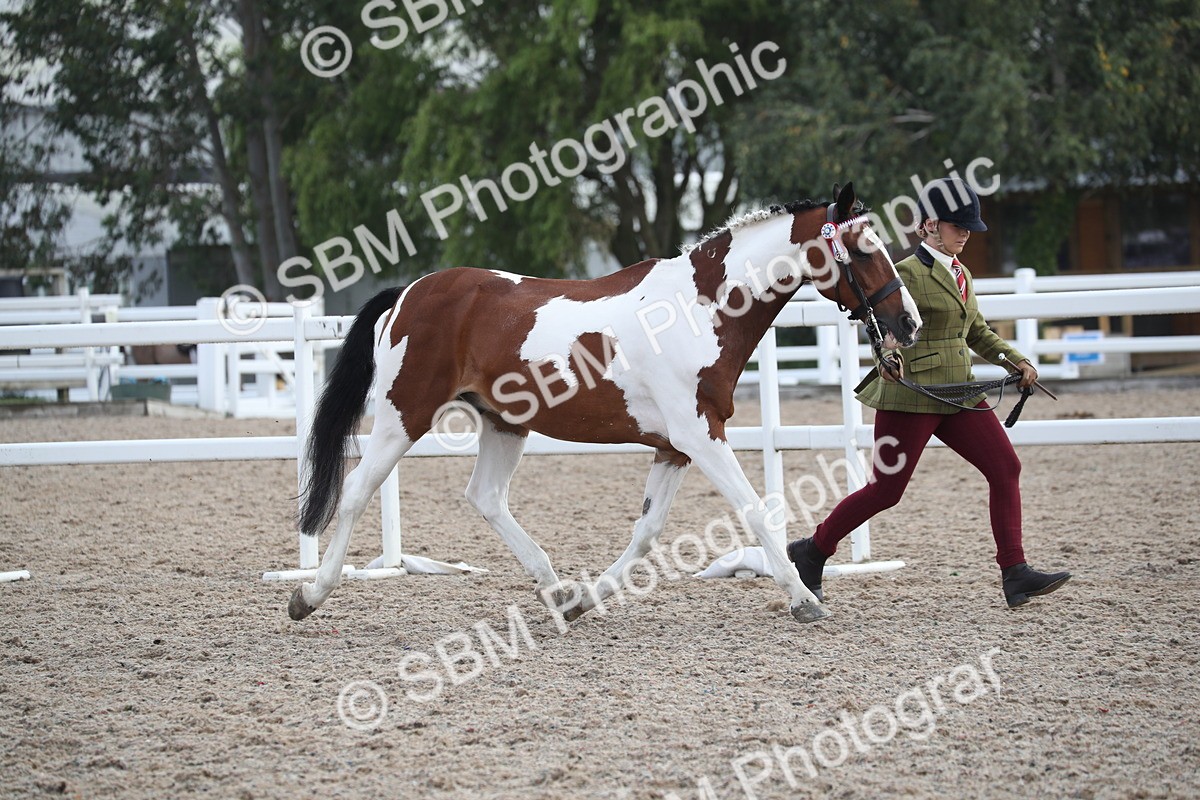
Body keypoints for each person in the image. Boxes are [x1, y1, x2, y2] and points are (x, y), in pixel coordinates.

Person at [788, 177, 1070, 609]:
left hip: (959, 393)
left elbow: (976, 331)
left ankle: (1015, 573)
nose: (967, 233)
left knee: (1005, 468)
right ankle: (812, 551)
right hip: (912, 396)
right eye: (958, 226)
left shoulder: (962, 274)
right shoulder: (905, 275)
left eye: (968, 227)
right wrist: (887, 358)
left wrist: (1015, 361)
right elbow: (882, 327)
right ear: (929, 227)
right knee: (886, 491)